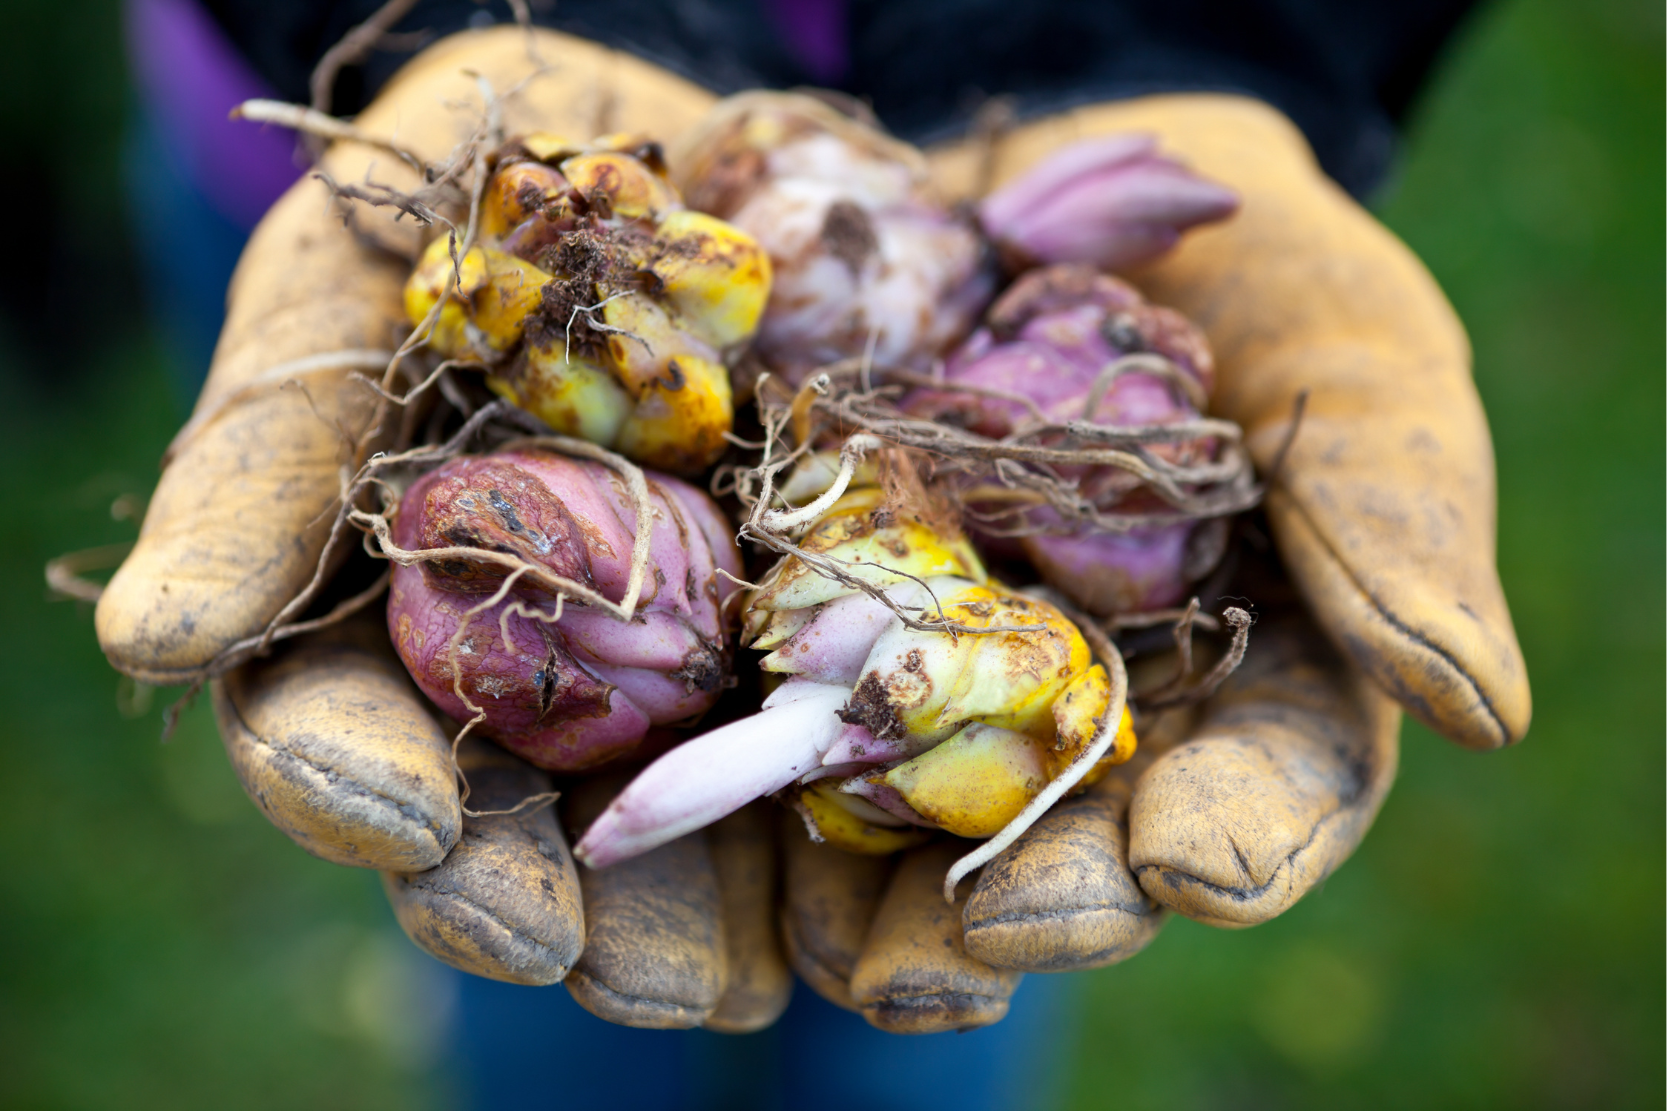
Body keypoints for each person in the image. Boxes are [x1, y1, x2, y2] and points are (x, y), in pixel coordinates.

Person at [113, 2, 1529, 1107]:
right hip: (336, 133)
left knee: (946, 968)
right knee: (491, 887)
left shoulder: (870, 575)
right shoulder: (671, 356)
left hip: (1020, 105)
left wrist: (1163, 38)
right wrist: (455, 15)